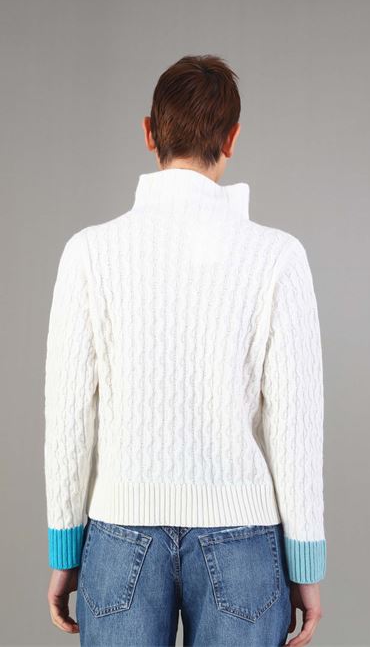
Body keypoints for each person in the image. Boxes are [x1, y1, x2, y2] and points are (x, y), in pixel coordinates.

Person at [44, 54, 326, 647]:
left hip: (121, 533)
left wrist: (65, 549)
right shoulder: (278, 257)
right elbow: (296, 425)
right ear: (233, 138)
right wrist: (305, 563)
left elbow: (68, 419)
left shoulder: (88, 253)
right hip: (242, 536)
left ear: (149, 132)